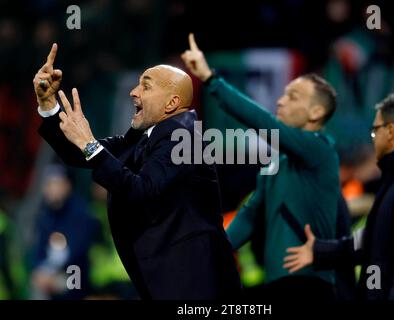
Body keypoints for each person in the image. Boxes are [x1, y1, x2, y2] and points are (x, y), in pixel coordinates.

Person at [33, 44, 241, 299]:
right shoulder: (143, 140)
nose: (133, 92)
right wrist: (49, 107)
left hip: (195, 284)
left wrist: (90, 145)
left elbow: (141, 189)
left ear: (172, 103)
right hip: (167, 281)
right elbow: (82, 154)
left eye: (146, 86)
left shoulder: (186, 140)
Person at [181, 34, 340, 299]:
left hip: (311, 286)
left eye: (293, 97)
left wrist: (210, 79)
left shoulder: (321, 150)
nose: (280, 101)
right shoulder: (276, 163)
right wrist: (211, 253)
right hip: (278, 284)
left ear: (315, 113)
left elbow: (265, 124)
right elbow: (251, 214)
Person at [283, 93, 394, 300]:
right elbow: (371, 242)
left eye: (375, 131)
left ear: (391, 131)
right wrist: (320, 250)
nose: (373, 139)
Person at [30, 164, 99, 300]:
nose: (51, 189)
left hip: (79, 282)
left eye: (56, 184)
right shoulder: (45, 216)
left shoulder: (81, 213)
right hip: (53, 282)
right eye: (48, 184)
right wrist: (40, 270)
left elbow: (76, 253)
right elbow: (39, 251)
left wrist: (50, 275)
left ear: (67, 185)